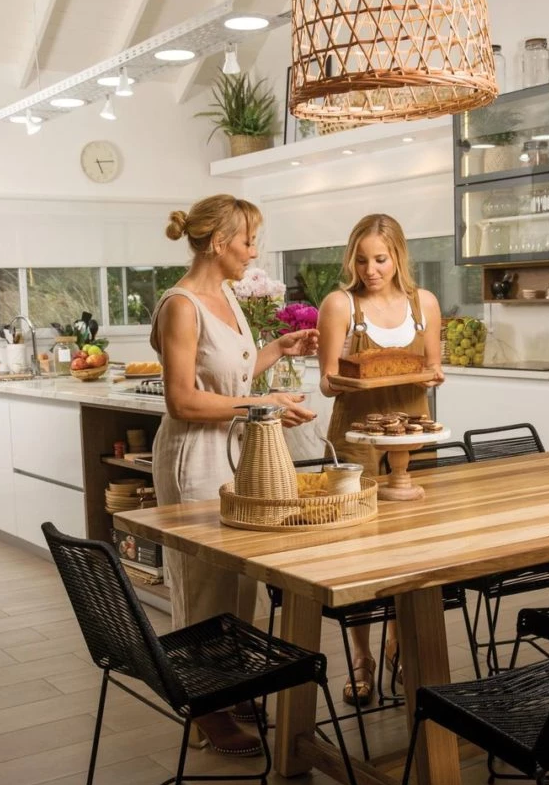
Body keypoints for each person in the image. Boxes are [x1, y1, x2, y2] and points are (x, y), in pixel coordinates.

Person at [150, 194, 318, 755]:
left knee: (240, 577)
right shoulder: (181, 305)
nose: (253, 252)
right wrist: (262, 405)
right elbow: (182, 401)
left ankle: (228, 682)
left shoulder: (225, 296)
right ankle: (204, 707)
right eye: (248, 241)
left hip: (234, 451)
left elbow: (231, 377)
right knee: (203, 583)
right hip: (193, 457)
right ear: (219, 242)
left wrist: (277, 349)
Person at [317, 213, 445, 706]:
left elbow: (432, 366)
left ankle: (397, 643)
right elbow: (328, 380)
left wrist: (433, 374)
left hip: (412, 438)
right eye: (361, 260)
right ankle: (360, 657)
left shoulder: (423, 304)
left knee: (411, 551)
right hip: (355, 442)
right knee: (357, 558)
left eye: (380, 260)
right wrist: (356, 378)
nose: (370, 270)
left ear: (398, 258)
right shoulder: (340, 305)